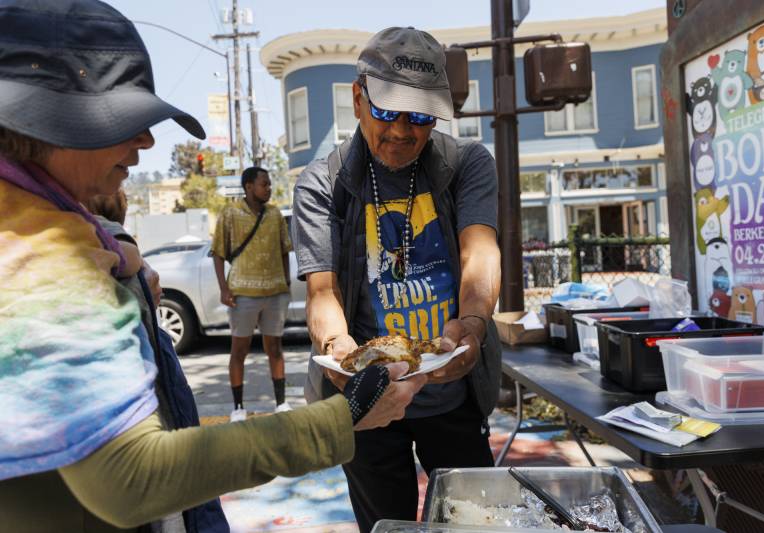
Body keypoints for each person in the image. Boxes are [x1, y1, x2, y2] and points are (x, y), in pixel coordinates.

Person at [0, 3, 426, 533]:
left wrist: (120, 251)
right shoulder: (40, 255)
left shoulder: (47, 220)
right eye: (125, 120)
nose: (147, 142)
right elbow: (132, 479)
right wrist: (341, 420)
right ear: (49, 119)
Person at [292, 26, 503, 532]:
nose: (403, 132)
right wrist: (340, 349)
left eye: (421, 117)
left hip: (452, 394)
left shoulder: (467, 164)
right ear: (358, 99)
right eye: (387, 112)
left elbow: (480, 253)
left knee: (480, 523)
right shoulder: (322, 184)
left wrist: (471, 325)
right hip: (368, 402)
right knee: (387, 526)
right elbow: (323, 291)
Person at [211, 167, 293, 421]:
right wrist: (224, 289)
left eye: (269, 184)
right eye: (264, 184)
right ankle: (238, 407)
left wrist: (286, 283)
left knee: (275, 349)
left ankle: (281, 403)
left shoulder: (275, 214)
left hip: (275, 292)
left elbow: (283, 250)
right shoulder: (230, 213)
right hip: (243, 293)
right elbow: (218, 252)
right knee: (239, 350)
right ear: (248, 186)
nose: (268, 188)